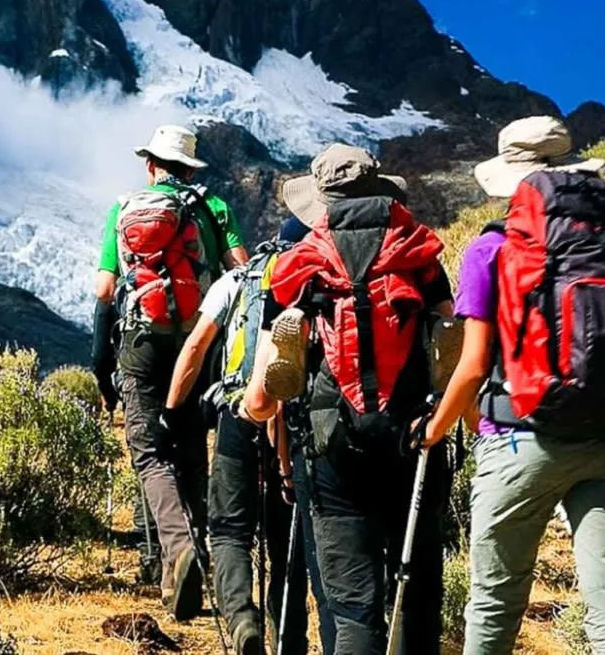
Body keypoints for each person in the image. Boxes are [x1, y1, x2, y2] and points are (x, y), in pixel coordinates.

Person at [421, 116, 605, 654]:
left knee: (494, 599)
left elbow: (474, 364)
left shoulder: (490, 250)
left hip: (520, 440)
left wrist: (435, 429)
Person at [263, 144, 454, 655]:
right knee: (418, 596)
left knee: (352, 608)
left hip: (331, 440)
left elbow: (266, 393)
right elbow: (449, 331)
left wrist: (277, 442)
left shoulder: (302, 259)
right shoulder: (416, 252)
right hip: (414, 435)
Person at [93, 124, 250, 621]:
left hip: (140, 343)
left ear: (151, 165)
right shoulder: (214, 208)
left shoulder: (123, 209)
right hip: (195, 344)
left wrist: (102, 361)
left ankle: (175, 553)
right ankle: (192, 559)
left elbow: (103, 289)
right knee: (188, 450)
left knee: (148, 455)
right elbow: (242, 272)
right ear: (189, 168)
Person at [166, 217, 317, 655]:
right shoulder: (315, 281)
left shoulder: (238, 279)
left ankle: (241, 620)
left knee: (230, 528)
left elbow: (195, 346)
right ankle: (290, 636)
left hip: (239, 412)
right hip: (292, 421)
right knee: (284, 534)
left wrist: (172, 414)